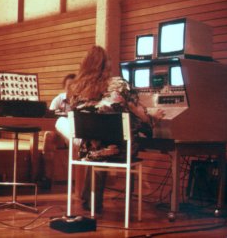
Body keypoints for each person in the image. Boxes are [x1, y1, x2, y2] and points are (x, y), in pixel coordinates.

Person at [55, 45, 164, 213]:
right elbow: (140, 113)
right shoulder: (119, 85)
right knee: (113, 140)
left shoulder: (75, 90)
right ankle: (126, 209)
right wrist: (152, 116)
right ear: (106, 65)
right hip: (121, 151)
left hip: (89, 152)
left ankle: (91, 202)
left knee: (97, 142)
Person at [39, 73, 76, 188]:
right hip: (58, 132)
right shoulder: (58, 99)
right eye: (68, 85)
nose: (71, 88)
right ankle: (47, 177)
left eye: (73, 85)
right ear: (64, 87)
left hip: (74, 132)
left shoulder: (81, 100)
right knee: (48, 136)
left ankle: (76, 179)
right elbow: (49, 120)